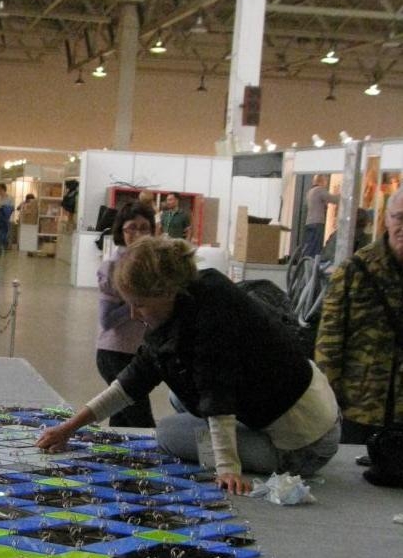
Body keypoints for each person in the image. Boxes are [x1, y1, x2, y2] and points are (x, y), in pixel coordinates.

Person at [36, 237, 340, 493]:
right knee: (178, 397)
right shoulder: (191, 294)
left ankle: (262, 451)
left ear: (165, 293)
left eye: (139, 305)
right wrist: (69, 428)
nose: (133, 315)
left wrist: (228, 468)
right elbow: (134, 380)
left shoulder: (211, 318)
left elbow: (217, 393)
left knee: (169, 433)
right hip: (314, 415)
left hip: (304, 447)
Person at [314, 187, 403, 445]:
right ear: (387, 219)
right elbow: (329, 344)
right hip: (359, 413)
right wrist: (327, 407)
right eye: (399, 217)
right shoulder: (355, 270)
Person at [95, 201, 156, 429]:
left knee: (121, 419)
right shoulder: (112, 266)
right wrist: (136, 303)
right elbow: (106, 320)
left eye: (144, 228)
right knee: (142, 422)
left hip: (138, 350)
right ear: (121, 231)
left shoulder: (148, 263)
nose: (138, 234)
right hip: (115, 353)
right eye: (132, 228)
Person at [302, 174, 339, 259]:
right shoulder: (320, 190)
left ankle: (306, 262)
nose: (326, 183)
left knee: (309, 244)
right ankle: (313, 263)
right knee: (316, 245)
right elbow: (332, 199)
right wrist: (343, 195)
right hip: (317, 221)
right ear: (321, 181)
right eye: (325, 181)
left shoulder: (310, 192)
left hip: (309, 222)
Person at [0, 183, 14, 256]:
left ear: (2, 189)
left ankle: (5, 244)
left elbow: (12, 208)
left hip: (7, 219)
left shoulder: (10, 198)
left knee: (4, 235)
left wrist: (3, 207)